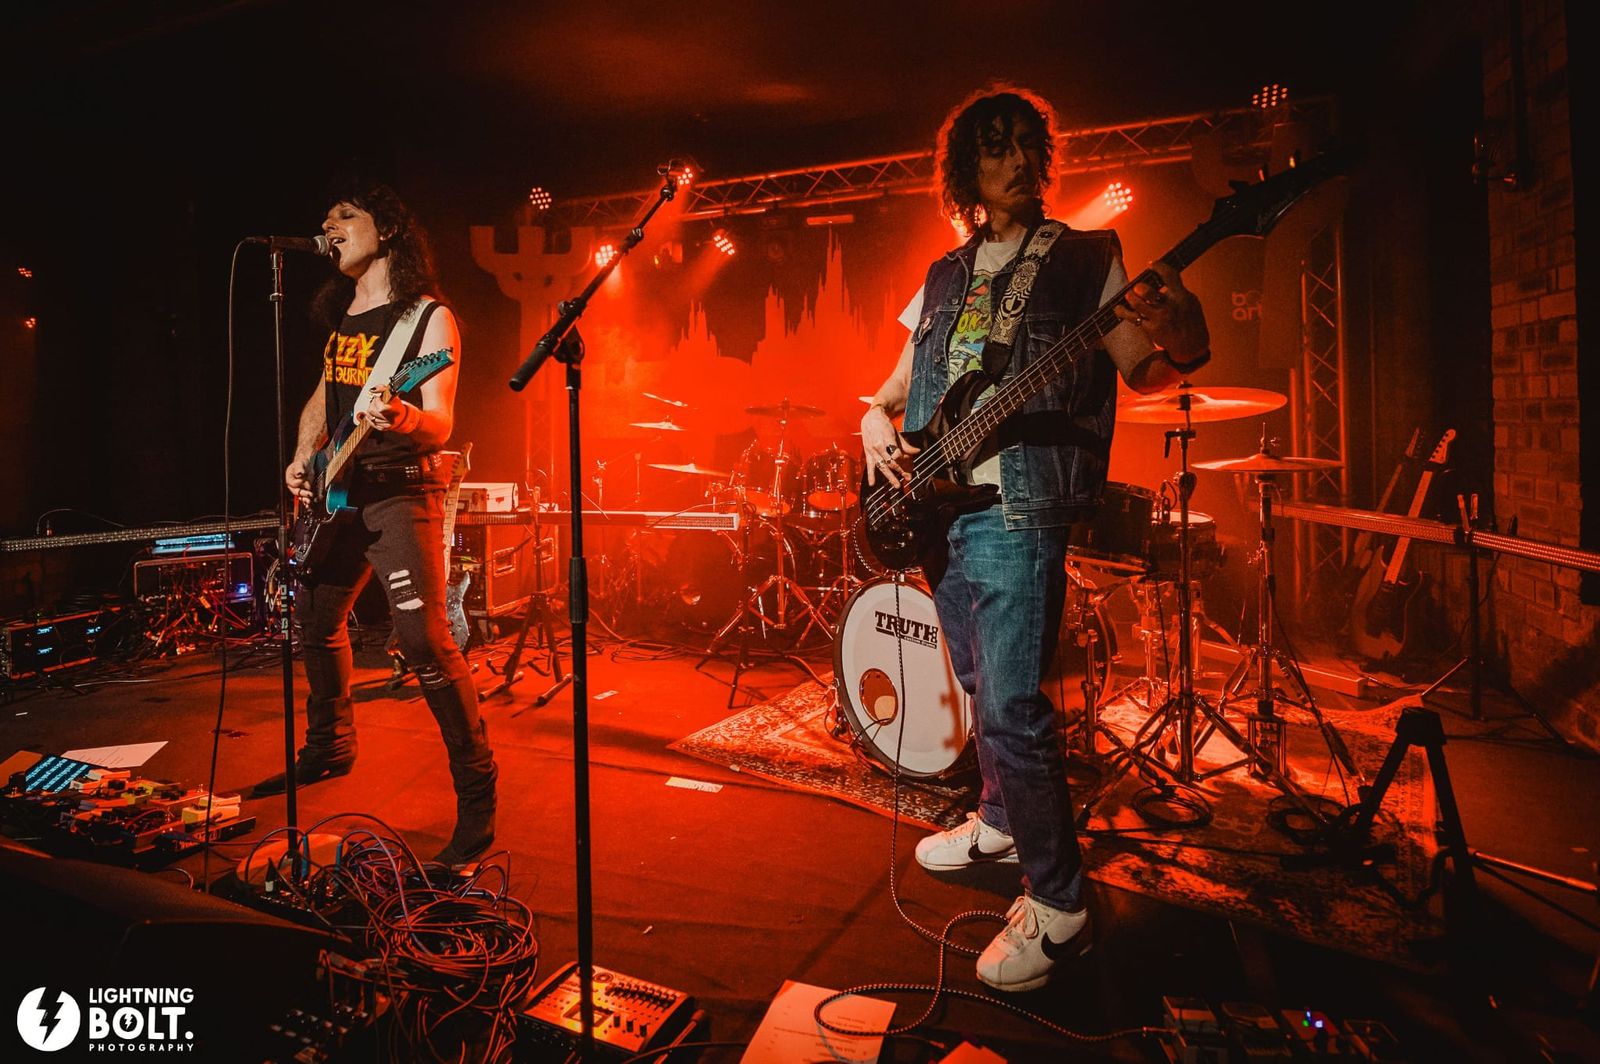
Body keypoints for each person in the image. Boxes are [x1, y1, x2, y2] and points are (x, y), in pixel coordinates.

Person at [860, 87, 1210, 991]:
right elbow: (896, 386)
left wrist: (1184, 331)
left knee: (1013, 706)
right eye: (996, 148)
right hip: (942, 507)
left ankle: (1060, 906)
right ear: (966, 171)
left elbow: (1142, 366)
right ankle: (1000, 823)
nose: (1017, 161)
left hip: (1019, 504)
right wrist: (869, 420)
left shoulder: (1087, 257)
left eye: (1026, 145)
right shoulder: (944, 274)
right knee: (981, 684)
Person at [253, 180, 498, 868]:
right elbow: (322, 397)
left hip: (400, 492)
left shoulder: (429, 320)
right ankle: (330, 746)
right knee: (315, 618)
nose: (327, 225)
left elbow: (439, 422)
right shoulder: (345, 317)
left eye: (344, 215)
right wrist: (304, 456)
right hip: (339, 494)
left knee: (423, 641)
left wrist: (403, 414)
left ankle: (477, 795)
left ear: (385, 229)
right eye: (324, 216)